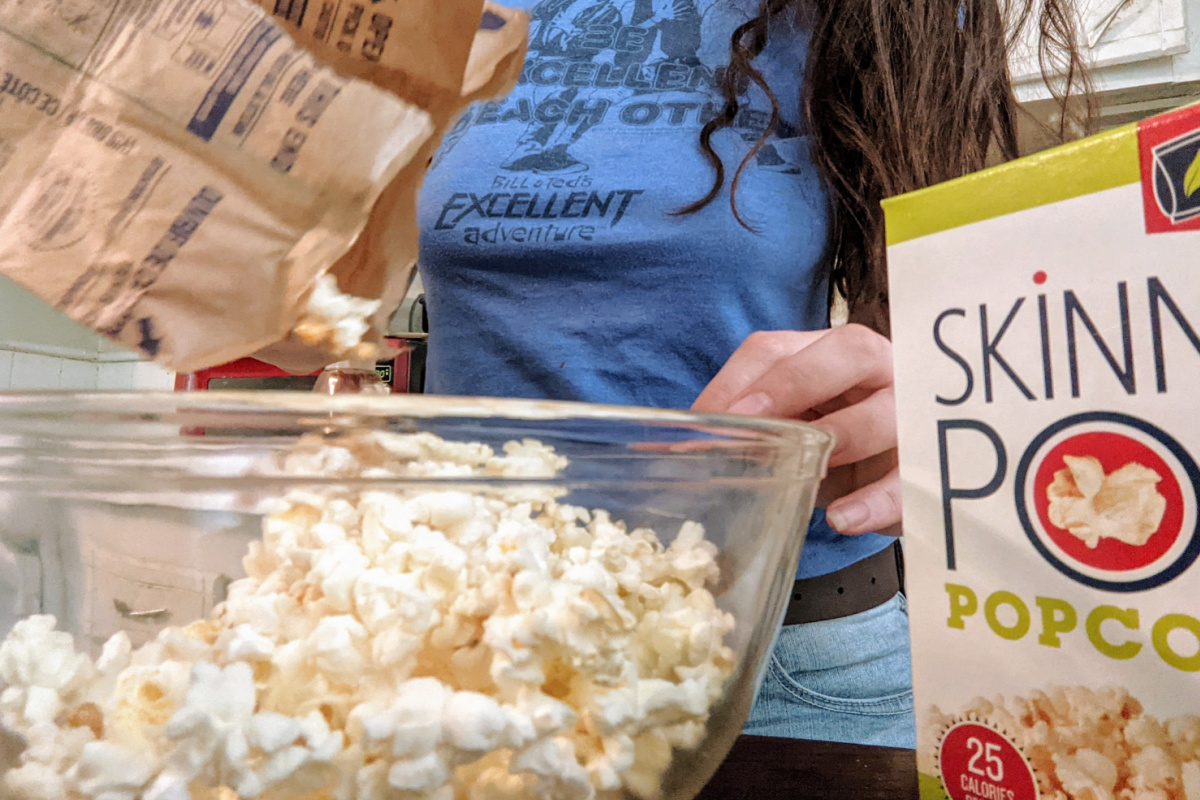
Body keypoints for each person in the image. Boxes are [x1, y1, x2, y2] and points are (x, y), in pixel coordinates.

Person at [416, 0, 1087, 747]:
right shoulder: (473, 15)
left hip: (783, 655)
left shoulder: (883, 14)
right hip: (469, 642)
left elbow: (973, 330)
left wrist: (942, 404)